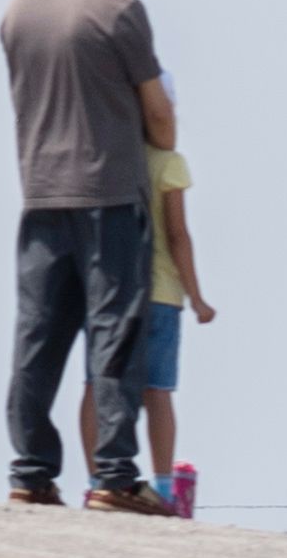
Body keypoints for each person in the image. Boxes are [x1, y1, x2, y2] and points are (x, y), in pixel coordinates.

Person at [0, 0, 178, 516]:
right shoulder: (120, 9)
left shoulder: (17, 9)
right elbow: (157, 113)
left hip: (41, 190)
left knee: (38, 336)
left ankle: (30, 471)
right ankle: (114, 474)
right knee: (114, 334)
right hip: (108, 189)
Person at [77, 126, 214, 505]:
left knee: (96, 384)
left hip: (107, 291)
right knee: (158, 391)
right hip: (160, 293)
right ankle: (166, 489)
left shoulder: (107, 158)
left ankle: (96, 484)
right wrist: (197, 297)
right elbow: (177, 234)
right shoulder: (169, 163)